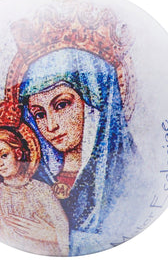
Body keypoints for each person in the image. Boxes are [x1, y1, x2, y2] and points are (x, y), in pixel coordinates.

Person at [8, 47, 142, 256]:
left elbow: (125, 239)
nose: (51, 126)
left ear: (92, 105)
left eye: (61, 105)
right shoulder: (36, 179)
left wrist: (58, 237)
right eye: (40, 114)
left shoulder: (127, 176)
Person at [0, 101, 69, 256]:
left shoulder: (41, 190)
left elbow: (62, 225)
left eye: (4, 155)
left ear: (18, 153)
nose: (0, 164)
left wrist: (48, 234)